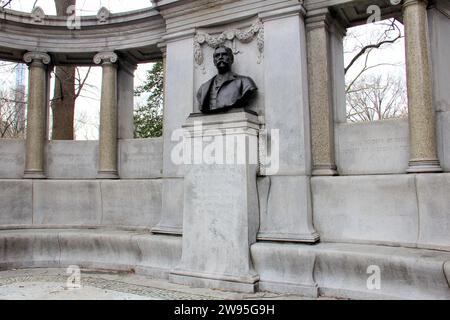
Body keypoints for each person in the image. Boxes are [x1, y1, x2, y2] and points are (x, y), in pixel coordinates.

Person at [197, 45, 257, 113]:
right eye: (217, 56)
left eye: (224, 54)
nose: (220, 57)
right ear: (214, 61)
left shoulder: (245, 82)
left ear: (231, 59)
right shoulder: (203, 88)